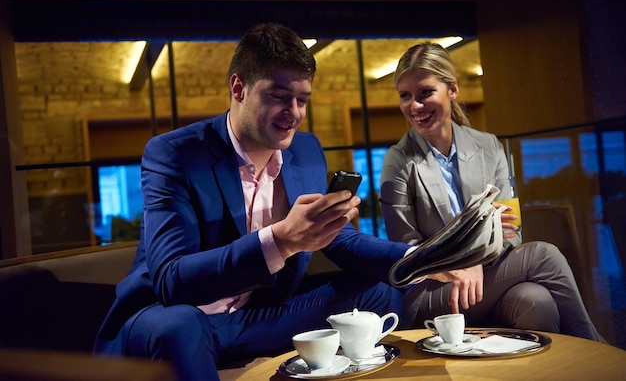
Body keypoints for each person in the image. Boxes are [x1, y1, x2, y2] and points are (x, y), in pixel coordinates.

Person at [93, 23, 412, 381]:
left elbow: (340, 241)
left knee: (377, 294)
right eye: (278, 96)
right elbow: (171, 281)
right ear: (238, 88)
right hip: (176, 315)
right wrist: (282, 240)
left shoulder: (306, 151)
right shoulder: (175, 154)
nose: (294, 111)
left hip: (255, 317)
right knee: (180, 326)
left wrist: (421, 258)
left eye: (302, 100)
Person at [379, 42, 600, 341]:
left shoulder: (489, 146)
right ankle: (597, 355)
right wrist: (465, 261)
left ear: (452, 90)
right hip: (431, 294)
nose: (414, 106)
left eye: (425, 93)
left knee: (537, 302)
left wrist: (477, 262)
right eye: (405, 96)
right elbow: (406, 253)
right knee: (544, 255)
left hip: (489, 278)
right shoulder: (397, 161)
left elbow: (512, 230)